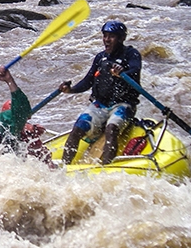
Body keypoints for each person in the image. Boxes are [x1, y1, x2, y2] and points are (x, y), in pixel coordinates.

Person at [58, 20, 141, 165]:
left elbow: (135, 70)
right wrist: (70, 90)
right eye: (105, 36)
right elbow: (88, 81)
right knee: (77, 128)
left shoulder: (131, 54)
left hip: (123, 104)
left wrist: (123, 72)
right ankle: (64, 166)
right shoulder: (100, 57)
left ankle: (106, 166)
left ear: (121, 39)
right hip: (101, 105)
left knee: (111, 128)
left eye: (111, 36)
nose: (107, 40)